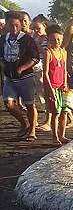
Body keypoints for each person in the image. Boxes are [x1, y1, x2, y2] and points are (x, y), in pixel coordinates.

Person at [0, 11, 40, 141]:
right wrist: (3, 65)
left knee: (29, 105)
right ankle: (24, 124)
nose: (14, 28)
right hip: (10, 78)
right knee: (9, 104)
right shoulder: (3, 39)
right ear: (6, 25)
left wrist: (22, 67)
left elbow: (35, 57)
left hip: (25, 77)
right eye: (11, 25)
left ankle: (32, 131)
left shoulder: (27, 39)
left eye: (17, 25)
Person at [43, 24, 71, 145]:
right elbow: (45, 73)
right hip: (52, 87)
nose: (57, 42)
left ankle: (62, 135)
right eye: (53, 39)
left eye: (59, 39)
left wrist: (65, 83)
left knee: (65, 111)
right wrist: (50, 90)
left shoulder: (64, 52)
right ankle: (55, 137)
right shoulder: (48, 52)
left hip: (62, 86)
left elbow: (64, 70)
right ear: (49, 40)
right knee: (55, 112)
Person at [31, 14, 51, 130]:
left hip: (46, 69)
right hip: (35, 69)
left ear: (45, 26)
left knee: (47, 94)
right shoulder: (34, 37)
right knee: (40, 95)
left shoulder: (49, 38)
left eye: (38, 28)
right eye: (34, 28)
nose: (36, 30)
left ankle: (48, 121)